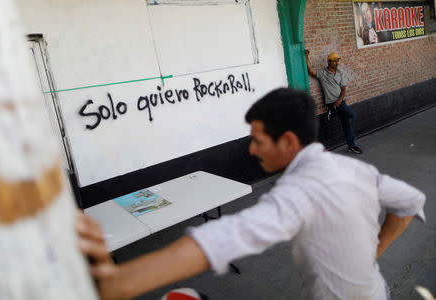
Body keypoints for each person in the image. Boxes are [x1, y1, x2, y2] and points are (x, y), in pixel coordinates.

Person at [77, 88, 426, 300]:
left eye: (258, 141)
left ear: (288, 142)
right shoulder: (354, 169)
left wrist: (120, 284)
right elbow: (410, 202)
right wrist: (373, 253)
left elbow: (229, 235)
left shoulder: (300, 192)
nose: (252, 151)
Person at [305, 49, 363, 154]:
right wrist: (306, 56)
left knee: (347, 125)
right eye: (334, 61)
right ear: (329, 62)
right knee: (352, 114)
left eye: (337, 61)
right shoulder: (322, 73)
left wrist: (340, 100)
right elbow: (310, 70)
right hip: (332, 102)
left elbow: (343, 88)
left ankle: (352, 145)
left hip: (340, 102)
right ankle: (332, 112)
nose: (336, 63)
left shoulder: (340, 73)